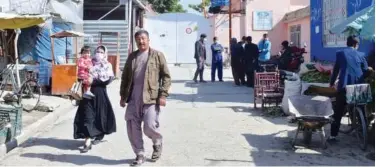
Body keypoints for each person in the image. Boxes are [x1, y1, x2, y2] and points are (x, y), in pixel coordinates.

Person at [120, 30, 171, 166]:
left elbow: (166, 77)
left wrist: (163, 95)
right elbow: (125, 78)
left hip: (150, 97)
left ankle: (157, 142)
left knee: (149, 126)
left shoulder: (157, 55)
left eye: (143, 39)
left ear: (148, 40)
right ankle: (140, 154)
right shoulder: (132, 57)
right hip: (133, 97)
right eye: (138, 39)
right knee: (132, 126)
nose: (141, 42)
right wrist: (123, 96)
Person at [73, 45, 116, 153]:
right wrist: (83, 80)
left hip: (100, 94)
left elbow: (108, 80)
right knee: (87, 116)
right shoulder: (89, 62)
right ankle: (87, 142)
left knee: (100, 116)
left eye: (101, 52)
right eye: (97, 51)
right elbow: (81, 74)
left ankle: (99, 133)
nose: (99, 53)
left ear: (105, 53)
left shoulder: (108, 65)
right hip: (87, 94)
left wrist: (94, 81)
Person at [328, 36, 369, 143]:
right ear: (356, 45)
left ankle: (333, 136)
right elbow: (366, 70)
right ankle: (364, 132)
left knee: (338, 111)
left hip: (345, 86)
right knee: (361, 108)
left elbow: (336, 70)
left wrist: (331, 83)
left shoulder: (341, 53)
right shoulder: (361, 55)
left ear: (347, 44)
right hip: (359, 87)